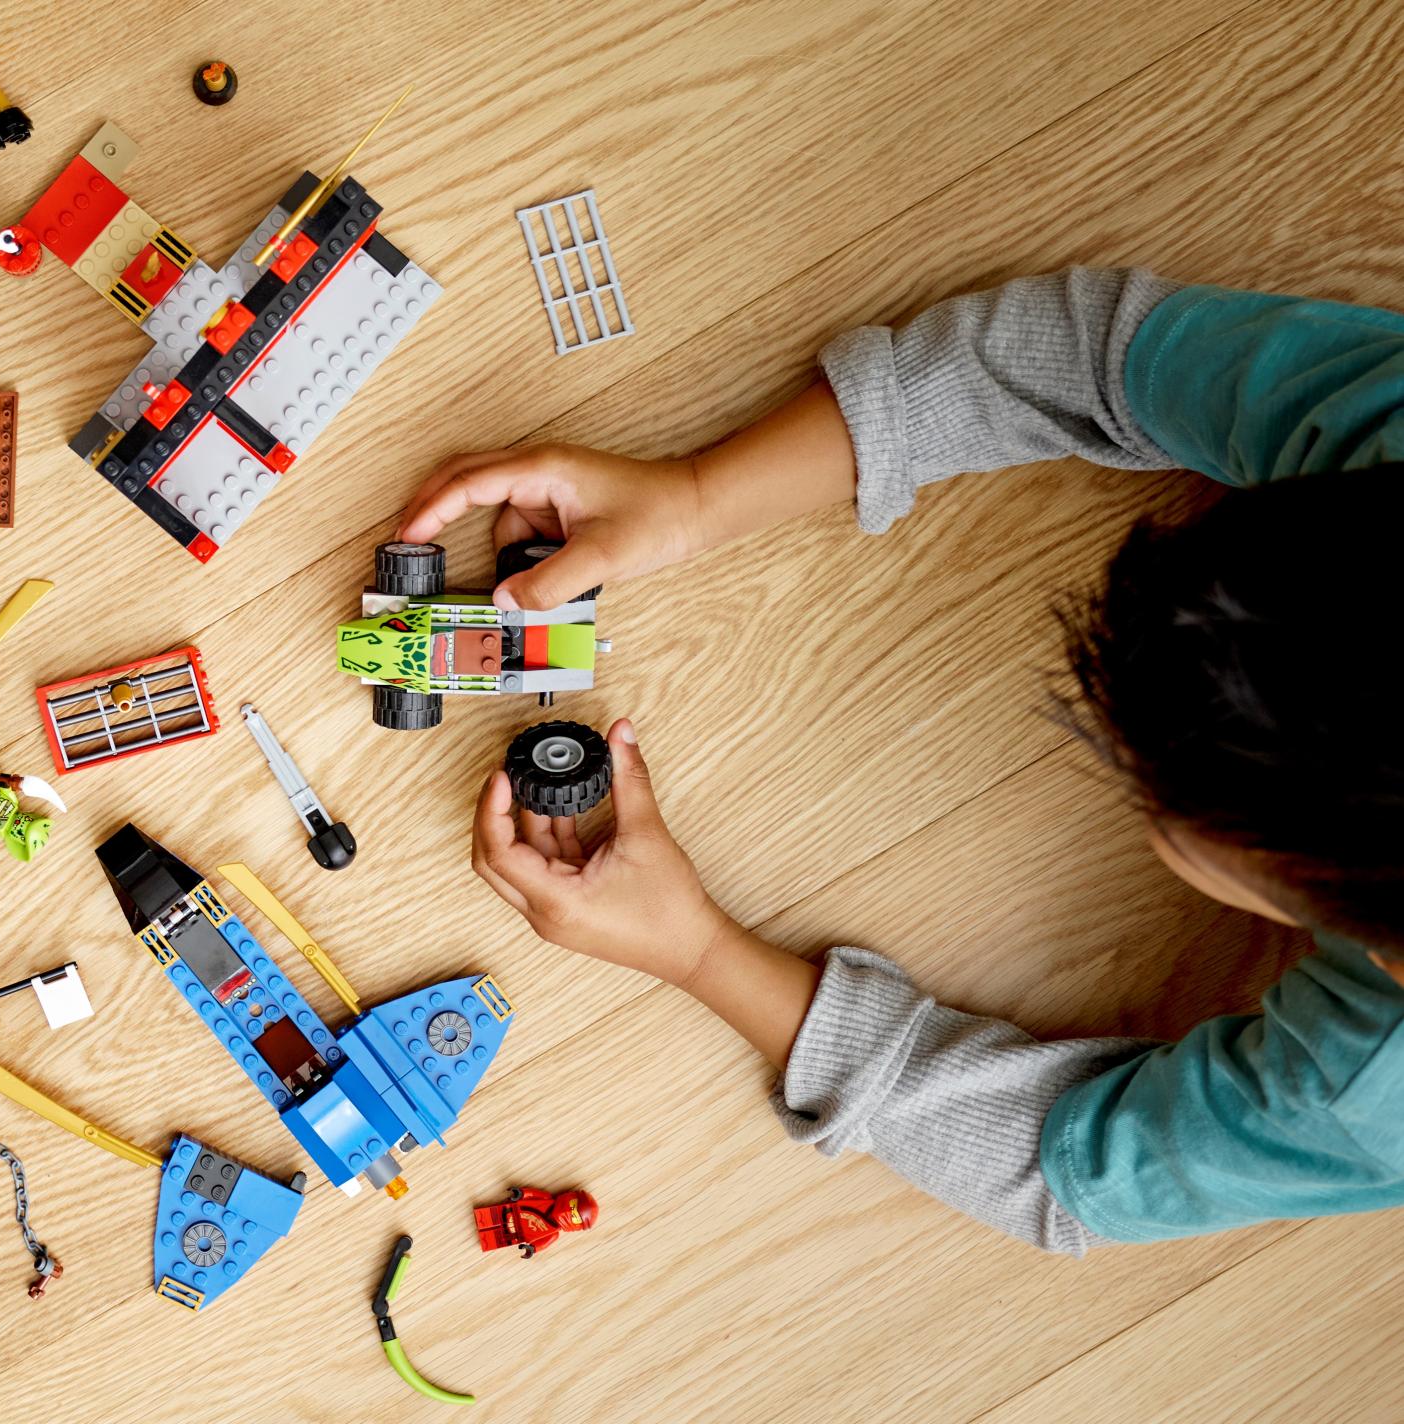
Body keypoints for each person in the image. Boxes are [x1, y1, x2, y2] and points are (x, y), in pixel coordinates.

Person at [395, 268, 1404, 1254]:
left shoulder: (1373, 1096)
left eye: (1161, 799)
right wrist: (696, 497)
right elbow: (1096, 353)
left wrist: (700, 953)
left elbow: (1060, 1170)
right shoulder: (1387, 456)